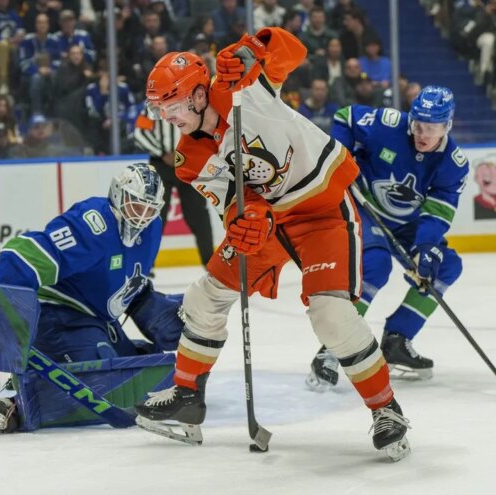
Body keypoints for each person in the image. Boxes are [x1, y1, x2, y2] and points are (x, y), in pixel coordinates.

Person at [133, 27, 411, 461]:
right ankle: (187, 395)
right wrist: (244, 220)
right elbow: (230, 201)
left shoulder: (243, 88)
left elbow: (292, 51)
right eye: (159, 109)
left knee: (332, 316)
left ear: (198, 95)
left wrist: (252, 49)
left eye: (171, 106)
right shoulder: (189, 158)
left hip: (320, 211)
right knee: (204, 297)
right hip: (271, 225)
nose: (165, 117)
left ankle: (386, 410)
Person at [0, 163, 185, 431]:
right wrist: (11, 331)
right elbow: (20, 256)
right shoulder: (93, 224)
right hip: (59, 318)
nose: (142, 216)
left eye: (150, 209)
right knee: (100, 376)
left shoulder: (152, 228)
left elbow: (130, 284)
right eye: (136, 205)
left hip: (98, 322)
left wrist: (163, 314)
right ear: (118, 195)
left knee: (149, 368)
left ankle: (31, 382)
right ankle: (9, 399)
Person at [306, 86, 468, 391]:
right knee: (376, 265)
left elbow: (437, 211)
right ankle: (332, 349)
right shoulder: (389, 123)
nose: (422, 134)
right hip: (363, 207)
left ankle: (397, 339)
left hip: (407, 225)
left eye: (431, 128)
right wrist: (341, 161)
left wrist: (425, 247)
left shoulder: (453, 163)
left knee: (445, 266)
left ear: (447, 126)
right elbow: (346, 117)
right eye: (418, 125)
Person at [134, 105, 214, 266]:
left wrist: (191, 152)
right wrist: (162, 153)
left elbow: (207, 131)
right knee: (154, 214)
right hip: (161, 164)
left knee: (198, 214)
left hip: (190, 163)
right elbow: (139, 133)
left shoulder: (194, 103)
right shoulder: (153, 106)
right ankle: (145, 265)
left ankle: (211, 263)